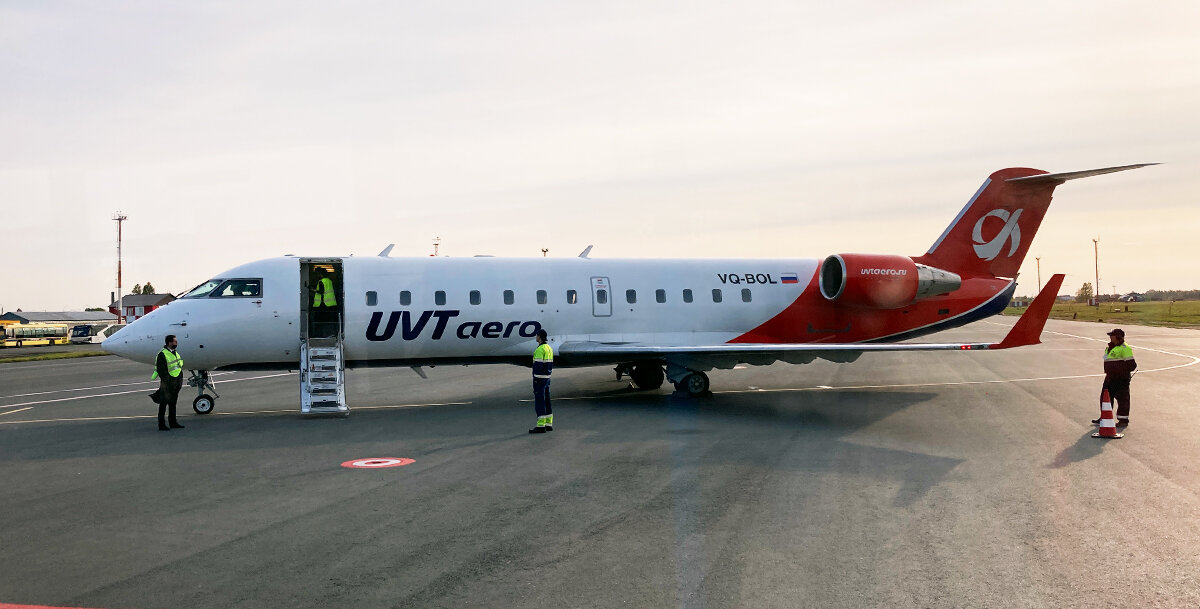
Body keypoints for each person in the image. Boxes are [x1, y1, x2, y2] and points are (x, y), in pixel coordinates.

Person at [1093, 328, 1137, 427]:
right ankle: (1104, 416)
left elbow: (1132, 365)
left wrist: (1120, 370)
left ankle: (1123, 420)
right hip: (1110, 378)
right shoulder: (1109, 347)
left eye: (1112, 336)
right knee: (1105, 398)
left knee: (1123, 399)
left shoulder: (1125, 348)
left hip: (1121, 379)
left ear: (1118, 337)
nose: (1110, 337)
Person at [150, 334, 186, 431]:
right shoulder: (162, 354)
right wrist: (167, 382)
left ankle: (173, 422)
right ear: (169, 343)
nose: (176, 342)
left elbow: (178, 367)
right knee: (163, 404)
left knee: (173, 403)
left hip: (176, 382)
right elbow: (162, 370)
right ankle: (161, 424)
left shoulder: (175, 352)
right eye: (174, 341)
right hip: (168, 383)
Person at [529, 328, 554, 434]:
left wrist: (535, 378)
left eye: (536, 335)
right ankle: (549, 424)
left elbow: (537, 366)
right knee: (547, 401)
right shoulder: (549, 348)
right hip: (547, 378)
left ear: (539, 337)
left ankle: (540, 426)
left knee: (540, 402)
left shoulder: (540, 349)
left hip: (539, 379)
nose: (536, 337)